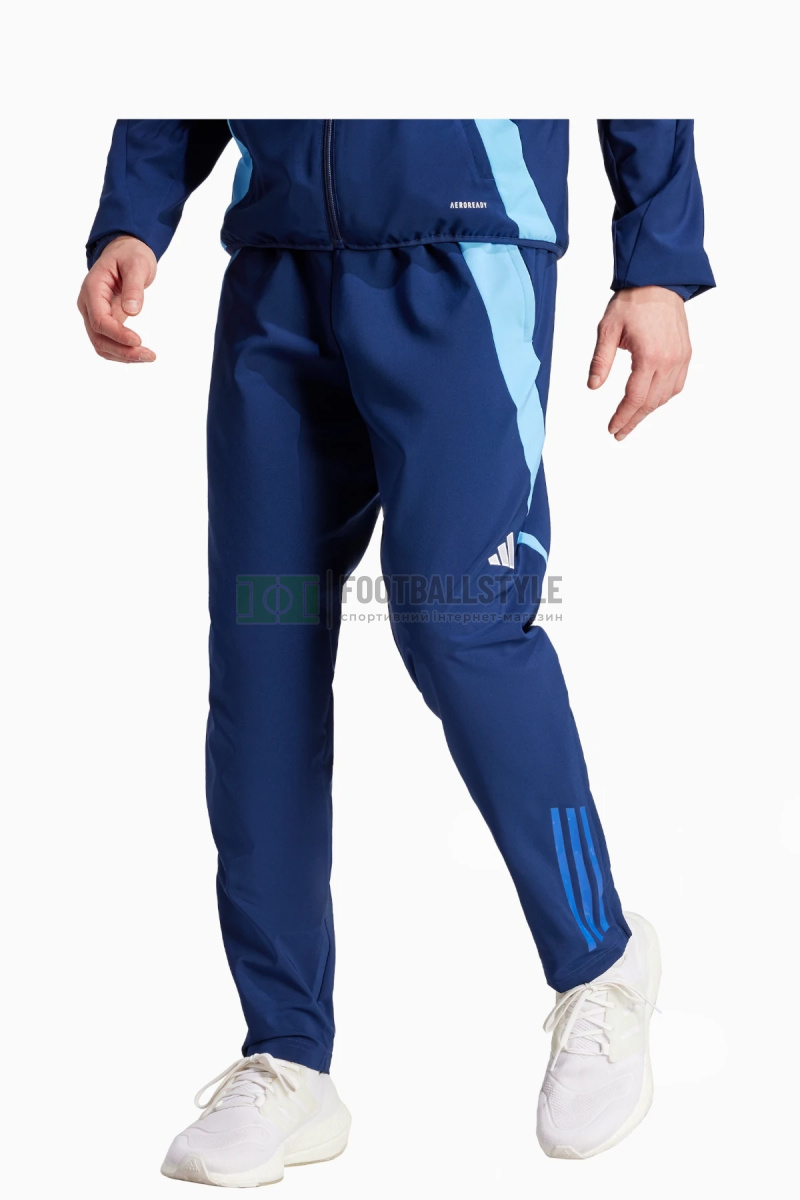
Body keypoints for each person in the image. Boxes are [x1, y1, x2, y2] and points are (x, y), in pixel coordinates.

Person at [78, 119, 714, 1184]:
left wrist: (655, 260)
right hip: (278, 267)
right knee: (262, 661)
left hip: (462, 255)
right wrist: (136, 215)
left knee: (459, 620)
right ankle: (288, 1056)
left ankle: (601, 960)